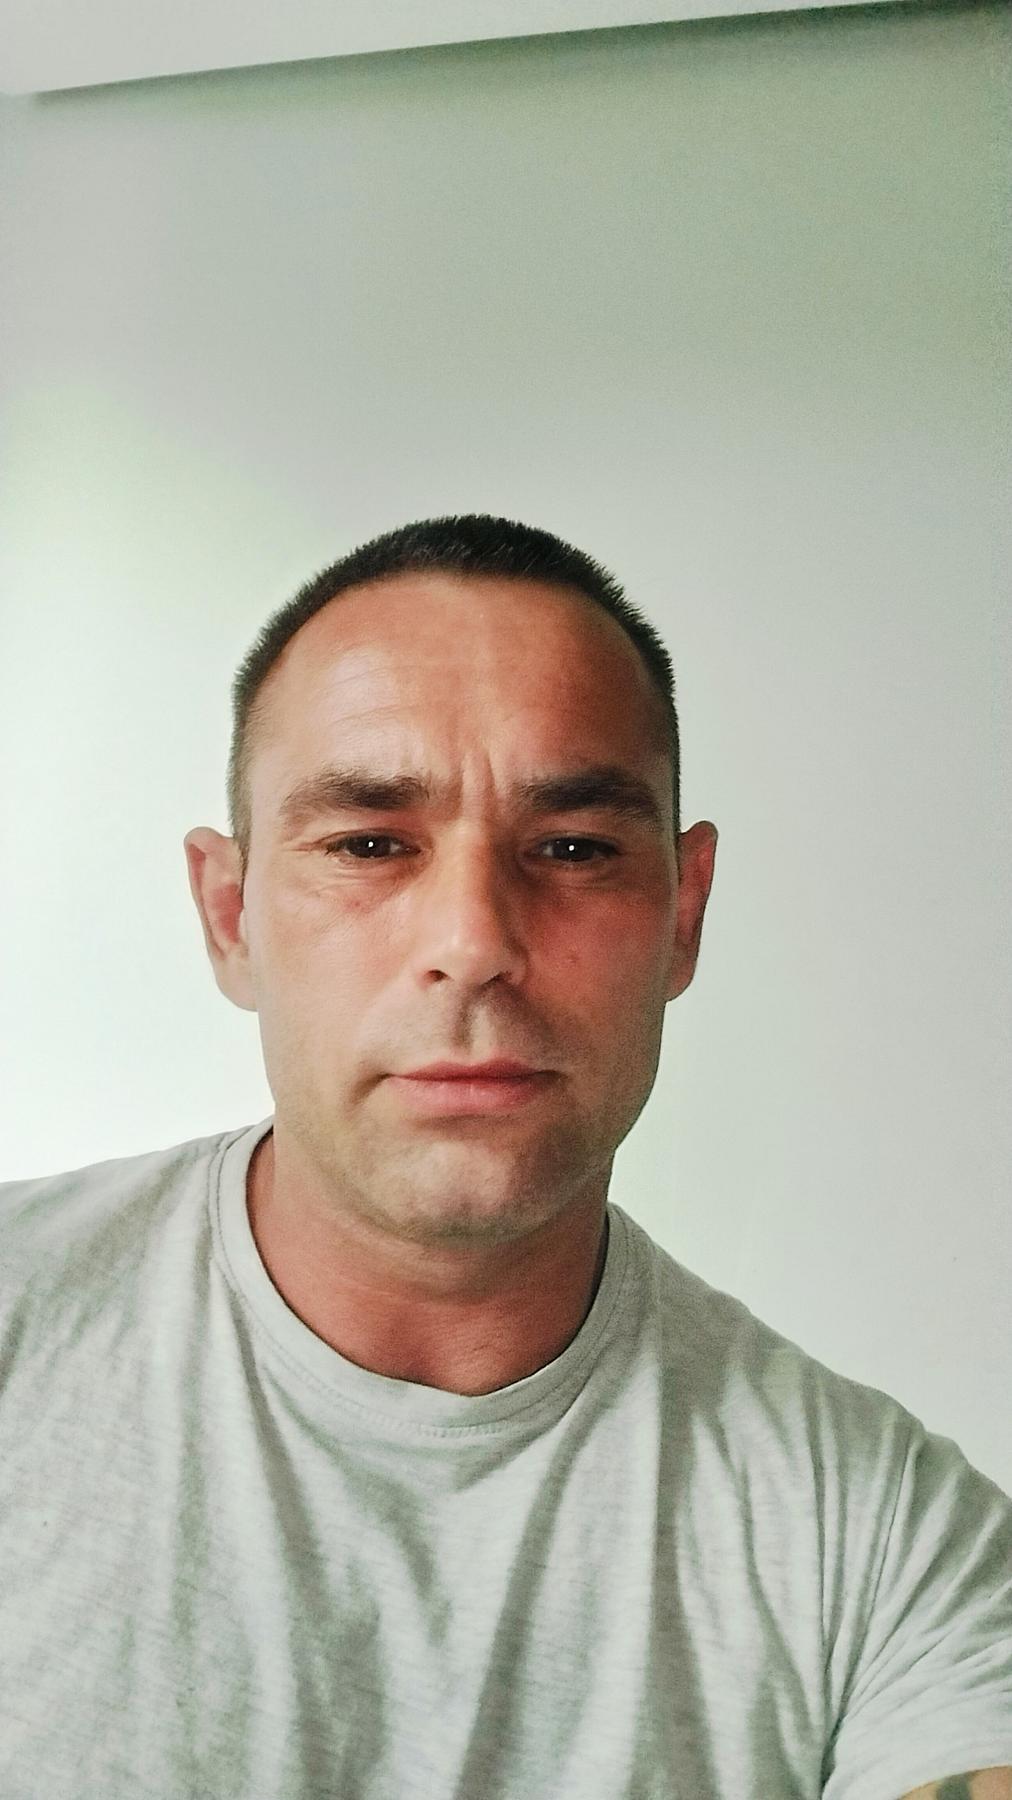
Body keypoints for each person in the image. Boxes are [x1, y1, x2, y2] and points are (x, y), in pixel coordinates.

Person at [1, 513, 1009, 1800]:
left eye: (575, 849)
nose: (473, 942)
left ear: (682, 912)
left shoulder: (885, 1540)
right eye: (370, 844)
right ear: (230, 915)